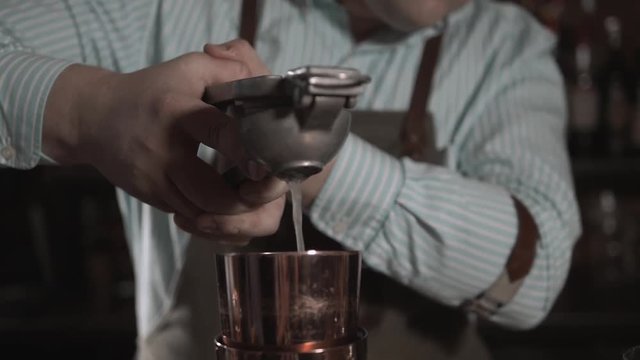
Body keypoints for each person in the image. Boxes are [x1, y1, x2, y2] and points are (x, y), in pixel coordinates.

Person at [0, 0, 581, 359]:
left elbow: (535, 276)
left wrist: (306, 149)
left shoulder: (509, 50)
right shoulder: (164, 6)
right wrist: (86, 111)